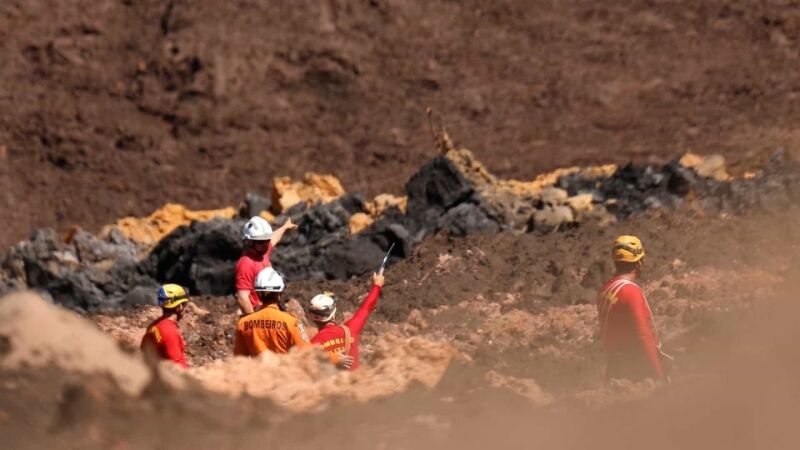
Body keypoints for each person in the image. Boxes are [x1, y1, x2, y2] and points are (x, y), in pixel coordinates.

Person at [597, 235, 664, 381]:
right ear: (639, 262)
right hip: (635, 369)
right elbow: (643, 334)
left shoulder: (605, 289)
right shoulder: (630, 291)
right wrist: (658, 374)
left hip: (614, 367)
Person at [308, 271, 385, 371]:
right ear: (333, 314)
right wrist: (377, 286)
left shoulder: (312, 345)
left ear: (311, 317)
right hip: (358, 383)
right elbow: (366, 307)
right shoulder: (351, 329)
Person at [233, 267, 310, 356]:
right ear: (279, 294)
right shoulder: (291, 322)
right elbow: (307, 353)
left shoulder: (244, 323)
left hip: (257, 369)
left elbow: (240, 359)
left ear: (258, 294)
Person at [235, 216, 297, 315]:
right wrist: (254, 321)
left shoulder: (262, 252)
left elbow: (274, 238)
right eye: (261, 241)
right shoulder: (246, 263)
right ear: (249, 242)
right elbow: (242, 298)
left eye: (267, 240)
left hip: (269, 307)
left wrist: (284, 227)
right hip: (258, 312)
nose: (266, 244)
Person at [140, 284, 191, 368]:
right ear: (179, 307)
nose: (186, 309)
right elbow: (178, 366)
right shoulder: (169, 332)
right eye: (184, 304)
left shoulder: (153, 326)